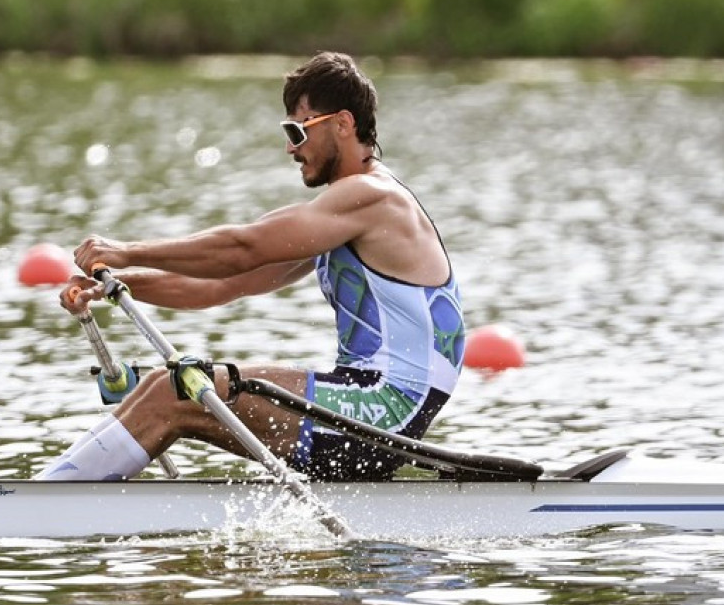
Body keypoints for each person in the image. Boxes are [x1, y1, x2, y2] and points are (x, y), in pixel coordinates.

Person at [35, 51, 465, 482]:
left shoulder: (374, 199)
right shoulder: (343, 218)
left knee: (172, 392)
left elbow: (244, 247)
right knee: (158, 385)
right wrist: (116, 285)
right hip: (366, 404)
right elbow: (219, 285)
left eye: (299, 130)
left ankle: (41, 501)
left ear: (343, 124)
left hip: (384, 409)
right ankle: (56, 492)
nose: (291, 147)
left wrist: (127, 251)